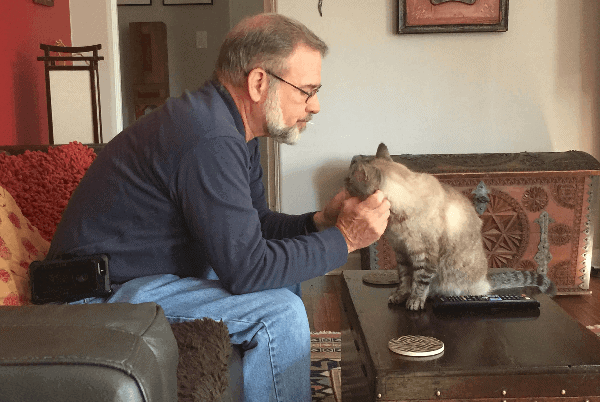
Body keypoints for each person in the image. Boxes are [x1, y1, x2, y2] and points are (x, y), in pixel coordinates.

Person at [46, 13, 390, 401]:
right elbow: (249, 270)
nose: (315, 106)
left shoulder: (230, 130)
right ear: (259, 82)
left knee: (286, 279)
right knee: (280, 312)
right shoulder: (208, 136)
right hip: (96, 296)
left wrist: (320, 221)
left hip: (140, 274)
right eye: (307, 90)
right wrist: (345, 239)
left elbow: (255, 225)